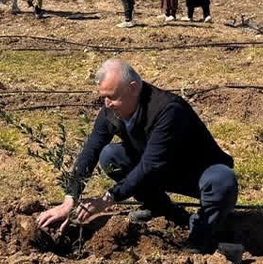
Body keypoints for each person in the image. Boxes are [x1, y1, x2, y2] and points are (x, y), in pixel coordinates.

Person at [35, 58, 237, 252]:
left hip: (197, 172)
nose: (107, 103)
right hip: (160, 171)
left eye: (112, 96)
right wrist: (70, 199)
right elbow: (91, 149)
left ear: (133, 88)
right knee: (110, 155)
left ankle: (200, 236)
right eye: (103, 97)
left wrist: (107, 199)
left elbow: (150, 165)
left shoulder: (167, 110)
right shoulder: (112, 111)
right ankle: (162, 208)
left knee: (222, 180)